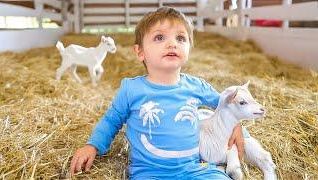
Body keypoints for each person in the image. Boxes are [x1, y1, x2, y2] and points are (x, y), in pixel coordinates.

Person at [70, 7, 245, 179]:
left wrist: (236, 125)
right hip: (149, 172)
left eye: (181, 38)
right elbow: (111, 120)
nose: (172, 43)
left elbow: (226, 104)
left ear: (190, 48)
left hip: (193, 169)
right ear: (140, 52)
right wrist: (92, 146)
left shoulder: (196, 86)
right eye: (159, 37)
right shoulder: (131, 89)